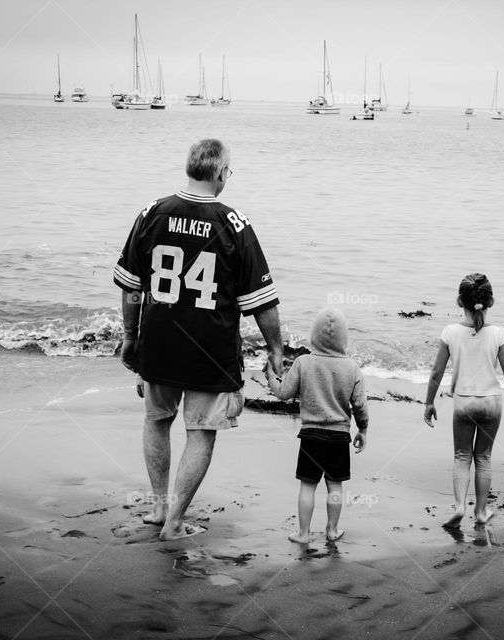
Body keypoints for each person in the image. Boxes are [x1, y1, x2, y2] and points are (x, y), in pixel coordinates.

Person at [114, 139, 284, 541]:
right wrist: (276, 349)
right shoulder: (234, 224)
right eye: (230, 170)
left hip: (159, 342)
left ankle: (158, 506)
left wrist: (129, 335)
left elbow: (132, 287)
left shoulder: (152, 213)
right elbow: (261, 300)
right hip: (211, 349)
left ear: (190, 167)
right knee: (201, 431)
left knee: (156, 420)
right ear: (221, 173)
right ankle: (174, 521)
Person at [423, 273, 504, 528]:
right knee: (483, 458)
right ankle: (481, 513)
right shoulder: (499, 334)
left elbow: (436, 373)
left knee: (462, 456)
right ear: (490, 302)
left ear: (460, 302)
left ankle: (460, 507)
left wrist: (429, 403)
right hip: (492, 403)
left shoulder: (450, 332)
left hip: (464, 403)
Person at [266, 307, 369, 543]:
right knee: (335, 486)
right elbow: (360, 405)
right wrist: (362, 429)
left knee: (308, 486)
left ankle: (303, 534)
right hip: (339, 438)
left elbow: (283, 392)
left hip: (311, 436)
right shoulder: (351, 367)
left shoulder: (303, 362)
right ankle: (332, 531)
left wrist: (271, 375)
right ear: (344, 337)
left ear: (314, 335)